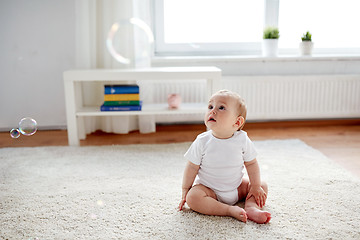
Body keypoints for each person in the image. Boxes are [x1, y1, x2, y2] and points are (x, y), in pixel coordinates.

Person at [177, 89, 271, 224]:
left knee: (261, 185)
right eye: (210, 106)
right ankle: (228, 210)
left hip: (237, 187)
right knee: (193, 198)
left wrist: (255, 186)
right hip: (210, 190)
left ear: (237, 122)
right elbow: (191, 167)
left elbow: (251, 164)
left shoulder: (242, 139)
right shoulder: (202, 141)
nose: (212, 111)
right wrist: (185, 190)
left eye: (221, 108)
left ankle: (251, 207)